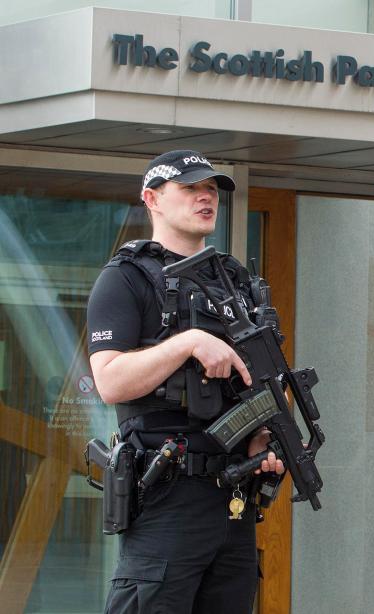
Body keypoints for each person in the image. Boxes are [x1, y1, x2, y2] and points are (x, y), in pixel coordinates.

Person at [87, 150, 284, 613]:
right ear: (151, 199)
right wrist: (187, 342)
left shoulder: (237, 284)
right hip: (165, 494)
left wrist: (261, 438)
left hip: (233, 496)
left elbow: (262, 383)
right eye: (191, 188)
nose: (205, 198)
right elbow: (110, 381)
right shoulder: (126, 278)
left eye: (212, 190)